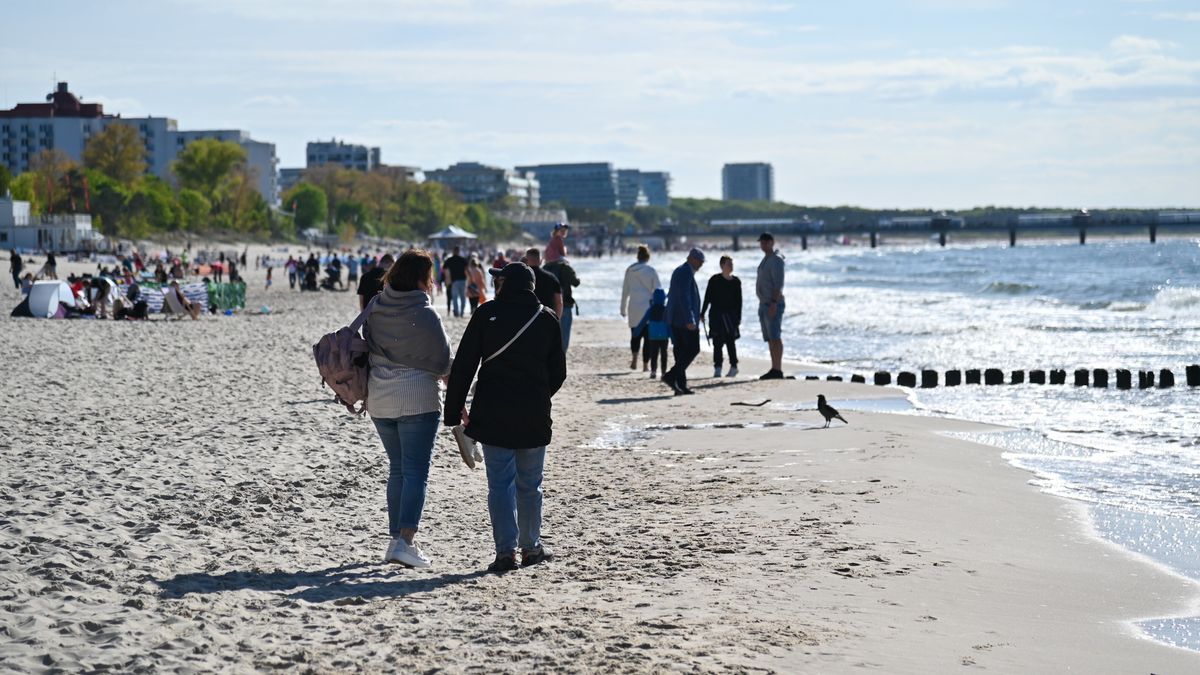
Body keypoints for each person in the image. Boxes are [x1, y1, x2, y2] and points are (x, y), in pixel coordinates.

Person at [444, 262, 566, 573]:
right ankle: (531, 548)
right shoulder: (546, 318)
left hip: (493, 414)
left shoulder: (487, 314)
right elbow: (558, 373)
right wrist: (539, 396)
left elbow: (465, 365)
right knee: (530, 485)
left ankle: (504, 553)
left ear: (505, 285)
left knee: (500, 486)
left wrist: (454, 410)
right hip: (533, 415)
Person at [364, 250, 452, 568]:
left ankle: (395, 541)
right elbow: (442, 362)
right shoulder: (425, 315)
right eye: (429, 277)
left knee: (398, 469)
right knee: (415, 471)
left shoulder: (375, 308)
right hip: (417, 399)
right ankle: (405, 541)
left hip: (380, 400)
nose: (431, 283)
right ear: (419, 280)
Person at [662, 248, 705, 395]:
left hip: (676, 318)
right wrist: (690, 318)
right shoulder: (685, 272)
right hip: (683, 319)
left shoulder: (680, 271)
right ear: (691, 258)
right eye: (699, 261)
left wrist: (696, 313)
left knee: (680, 351)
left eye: (702, 262)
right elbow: (684, 296)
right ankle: (671, 376)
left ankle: (680, 385)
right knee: (693, 348)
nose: (701, 264)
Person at [620, 245, 661, 370]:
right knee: (648, 338)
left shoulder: (630, 270)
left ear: (638, 256)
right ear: (648, 257)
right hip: (647, 308)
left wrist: (622, 309)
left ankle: (634, 359)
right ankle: (645, 365)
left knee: (635, 335)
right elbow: (658, 290)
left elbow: (625, 291)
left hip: (633, 307)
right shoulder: (651, 271)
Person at [702, 255, 743, 378]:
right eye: (728, 264)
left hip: (731, 317)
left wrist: (738, 318)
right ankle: (718, 368)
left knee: (731, 342)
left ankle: (734, 367)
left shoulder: (736, 282)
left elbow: (739, 302)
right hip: (716, 315)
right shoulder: (714, 280)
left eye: (732, 264)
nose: (731, 266)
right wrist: (702, 312)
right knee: (717, 343)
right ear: (722, 266)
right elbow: (707, 297)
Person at [756, 232, 787, 379]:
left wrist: (774, 303)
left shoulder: (776, 260)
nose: (763, 244)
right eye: (761, 242)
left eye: (765, 242)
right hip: (764, 303)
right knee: (769, 338)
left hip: (772, 303)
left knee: (775, 336)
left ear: (772, 242)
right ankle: (774, 367)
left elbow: (778, 284)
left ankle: (778, 369)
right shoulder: (766, 259)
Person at [543, 255, 579, 350]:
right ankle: (561, 358)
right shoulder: (566, 268)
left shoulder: (546, 267)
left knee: (550, 335)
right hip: (565, 305)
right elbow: (576, 283)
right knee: (564, 335)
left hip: (548, 307)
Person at [633, 288, 669, 379]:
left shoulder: (651, 309)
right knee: (664, 354)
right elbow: (670, 325)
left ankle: (653, 371)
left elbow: (643, 321)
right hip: (664, 336)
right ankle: (664, 372)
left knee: (654, 354)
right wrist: (673, 337)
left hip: (653, 336)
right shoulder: (666, 309)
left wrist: (636, 332)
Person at [521, 248, 562, 317]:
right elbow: (559, 302)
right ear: (541, 260)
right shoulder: (551, 278)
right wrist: (557, 319)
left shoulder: (520, 277)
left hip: (526, 319)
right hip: (546, 318)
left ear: (526, 260)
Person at [442, 246, 468, 317]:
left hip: (454, 281)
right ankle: (462, 312)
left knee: (455, 297)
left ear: (453, 251)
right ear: (458, 251)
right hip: (463, 280)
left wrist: (447, 280)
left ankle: (456, 312)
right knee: (463, 297)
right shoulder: (463, 259)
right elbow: (467, 270)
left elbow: (444, 269)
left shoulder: (449, 260)